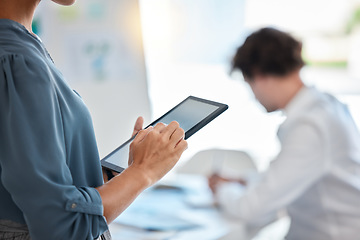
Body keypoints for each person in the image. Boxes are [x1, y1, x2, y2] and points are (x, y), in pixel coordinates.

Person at [0, 0, 187, 239]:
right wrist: (142, 172)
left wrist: (112, 175)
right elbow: (61, 224)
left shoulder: (23, 47)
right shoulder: (17, 60)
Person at [209, 27, 360, 240]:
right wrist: (240, 181)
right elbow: (291, 175)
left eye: (248, 83)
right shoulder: (325, 107)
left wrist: (220, 192)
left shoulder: (310, 126)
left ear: (259, 75)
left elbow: (253, 209)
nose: (253, 96)